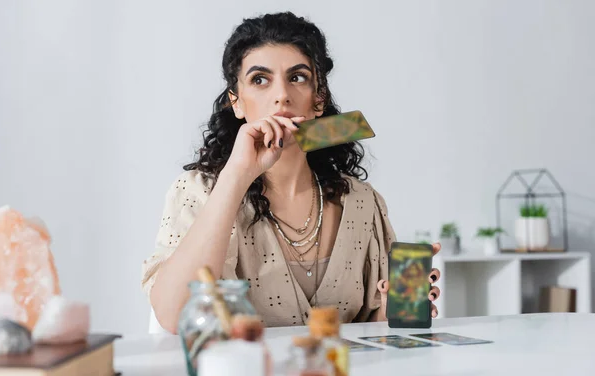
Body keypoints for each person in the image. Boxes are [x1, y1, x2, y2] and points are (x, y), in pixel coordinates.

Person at [141, 11, 441, 334]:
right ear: (236, 102)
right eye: (260, 80)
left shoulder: (363, 202)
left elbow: (371, 333)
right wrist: (237, 175)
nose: (281, 95)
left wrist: (388, 315)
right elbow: (174, 317)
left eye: (297, 77)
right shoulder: (195, 192)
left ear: (318, 100)